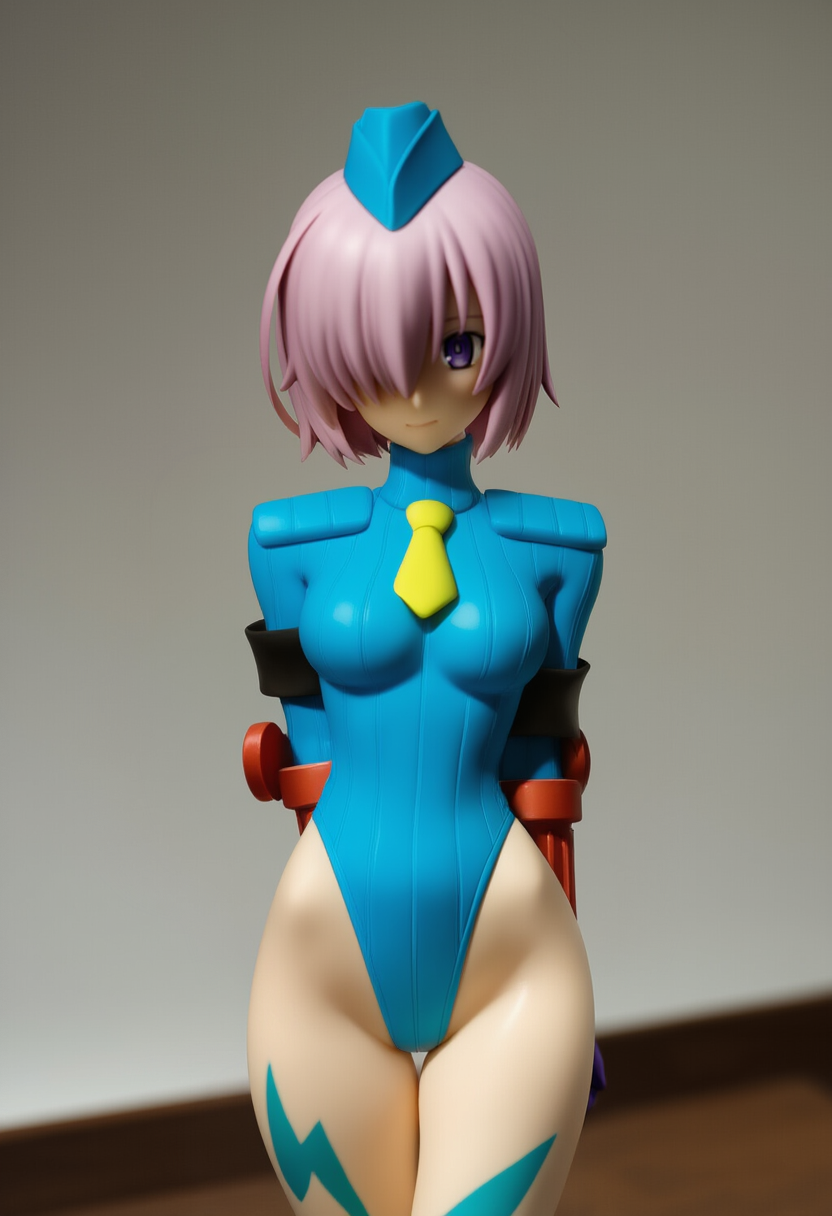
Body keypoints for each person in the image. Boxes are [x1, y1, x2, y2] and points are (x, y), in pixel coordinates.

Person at [244, 102, 606, 1216]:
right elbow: (306, 759)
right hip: (324, 952)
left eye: (455, 346)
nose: (416, 390)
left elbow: (546, 772)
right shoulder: (292, 549)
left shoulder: (559, 550)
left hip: (511, 954)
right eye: (373, 352)